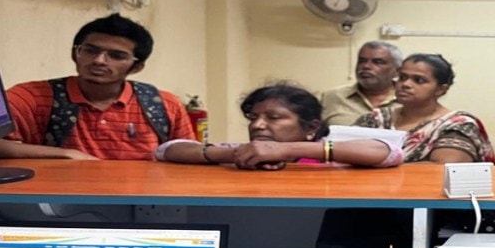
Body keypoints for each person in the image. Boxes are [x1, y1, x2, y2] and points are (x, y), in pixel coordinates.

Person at [0, 13, 194, 161]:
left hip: (145, 208)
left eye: (116, 56)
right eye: (90, 51)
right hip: (58, 209)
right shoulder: (32, 97)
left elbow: (186, 155)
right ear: (75, 53)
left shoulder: (164, 104)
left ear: (137, 66)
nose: (100, 61)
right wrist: (64, 154)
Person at [156, 83, 401, 168]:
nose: (258, 125)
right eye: (253, 117)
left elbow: (389, 153)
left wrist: (288, 150)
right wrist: (236, 154)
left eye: (274, 118)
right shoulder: (243, 152)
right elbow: (167, 150)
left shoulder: (330, 155)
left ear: (310, 127)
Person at [355, 54, 495, 164]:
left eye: (419, 80)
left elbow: (441, 169)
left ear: (441, 89)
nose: (406, 84)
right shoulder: (375, 119)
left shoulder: (457, 125)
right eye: (403, 77)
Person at [322, 41, 402, 126]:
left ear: (397, 71)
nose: (366, 66)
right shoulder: (331, 97)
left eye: (377, 62)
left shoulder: (409, 100)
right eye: (362, 61)